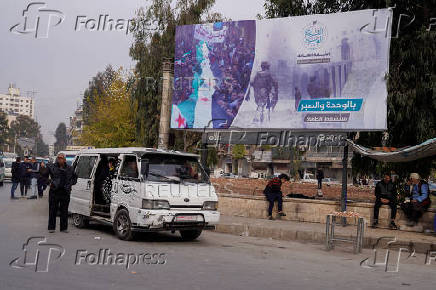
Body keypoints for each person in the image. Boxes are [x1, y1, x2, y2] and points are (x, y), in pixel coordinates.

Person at [47, 153, 75, 233]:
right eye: (58, 158)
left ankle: (64, 228)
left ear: (64, 159)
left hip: (65, 192)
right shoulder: (51, 167)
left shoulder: (70, 168)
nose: (59, 159)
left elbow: (75, 177)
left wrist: (70, 184)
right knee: (52, 210)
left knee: (64, 210)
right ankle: (51, 228)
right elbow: (44, 176)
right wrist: (49, 182)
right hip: (54, 192)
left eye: (61, 158)